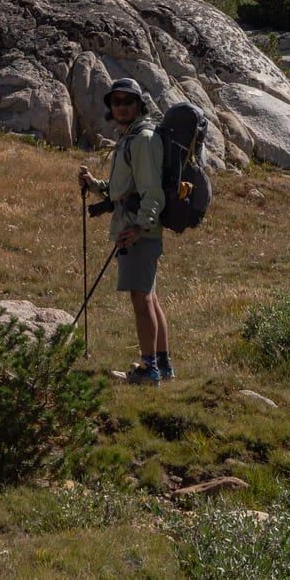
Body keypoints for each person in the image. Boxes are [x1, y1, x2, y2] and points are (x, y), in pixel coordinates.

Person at [78, 76, 172, 383]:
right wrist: (96, 186)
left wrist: (140, 228)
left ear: (139, 104)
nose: (121, 107)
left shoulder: (142, 140)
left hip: (137, 231)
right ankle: (162, 366)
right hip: (134, 227)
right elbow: (123, 190)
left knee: (141, 299)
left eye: (128, 101)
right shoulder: (130, 138)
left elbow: (153, 193)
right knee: (150, 297)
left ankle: (149, 370)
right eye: (116, 102)